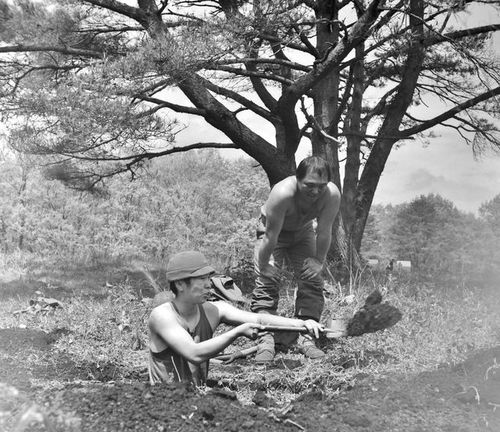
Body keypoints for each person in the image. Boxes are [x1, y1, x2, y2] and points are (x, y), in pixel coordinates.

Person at [148, 250, 327, 386]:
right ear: (180, 284)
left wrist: (302, 323)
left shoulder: (212, 310)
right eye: (201, 279)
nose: (208, 285)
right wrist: (237, 332)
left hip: (196, 401)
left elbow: (259, 319)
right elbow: (194, 354)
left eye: (208, 278)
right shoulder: (163, 316)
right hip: (164, 406)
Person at [251, 156, 341, 362]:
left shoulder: (332, 195)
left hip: (303, 232)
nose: (316, 191)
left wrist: (319, 261)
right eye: (309, 185)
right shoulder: (282, 193)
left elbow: (325, 232)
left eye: (321, 186)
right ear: (297, 179)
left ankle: (306, 335)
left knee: (312, 278)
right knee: (267, 281)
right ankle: (266, 337)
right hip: (273, 233)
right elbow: (270, 236)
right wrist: (263, 265)